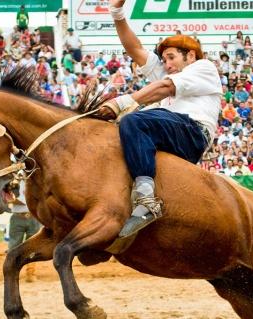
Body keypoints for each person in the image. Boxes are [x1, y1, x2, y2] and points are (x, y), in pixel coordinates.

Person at [100, 0, 220, 238]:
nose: (166, 64)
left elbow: (165, 87)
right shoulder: (170, 70)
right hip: (169, 130)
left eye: (171, 57)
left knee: (134, 121)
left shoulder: (204, 67)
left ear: (191, 55)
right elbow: (134, 49)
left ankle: (146, 199)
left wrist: (123, 102)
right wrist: (117, 13)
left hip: (192, 131)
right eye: (163, 60)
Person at [6, 180, 41, 282]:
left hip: (33, 216)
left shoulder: (36, 180)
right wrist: (10, 199)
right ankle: (11, 273)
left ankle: (31, 273)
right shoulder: (11, 182)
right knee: (13, 246)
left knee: (32, 246)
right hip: (19, 217)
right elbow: (5, 197)